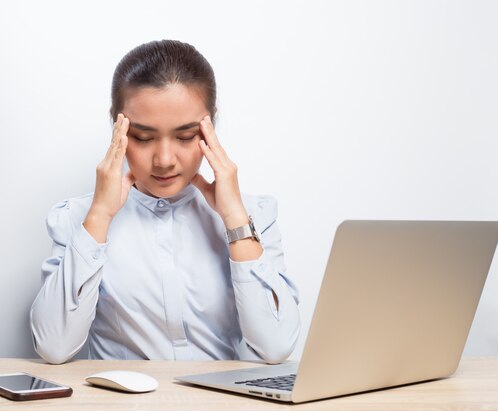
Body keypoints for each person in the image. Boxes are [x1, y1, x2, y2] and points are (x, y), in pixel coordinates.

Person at [30, 40, 300, 365]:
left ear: (209, 127)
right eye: (143, 138)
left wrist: (234, 219)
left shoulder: (253, 216)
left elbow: (277, 348)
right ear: (118, 128)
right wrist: (100, 215)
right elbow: (53, 347)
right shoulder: (78, 218)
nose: (164, 160)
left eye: (185, 136)